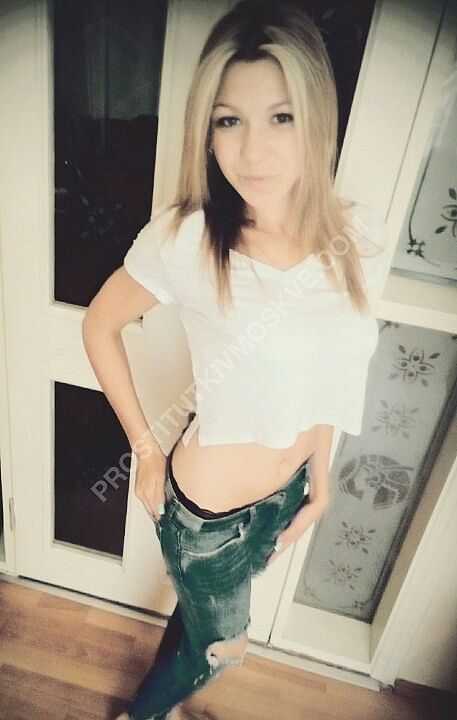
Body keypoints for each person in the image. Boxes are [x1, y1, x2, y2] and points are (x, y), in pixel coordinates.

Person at [82, 1, 387, 718]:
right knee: (223, 646)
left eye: (281, 117)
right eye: (229, 120)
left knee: (198, 625)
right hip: (208, 519)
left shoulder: (355, 237)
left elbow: (330, 377)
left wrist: (319, 482)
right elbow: (99, 326)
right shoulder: (185, 240)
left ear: (316, 118)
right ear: (207, 130)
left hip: (283, 496)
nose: (253, 150)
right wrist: (145, 452)